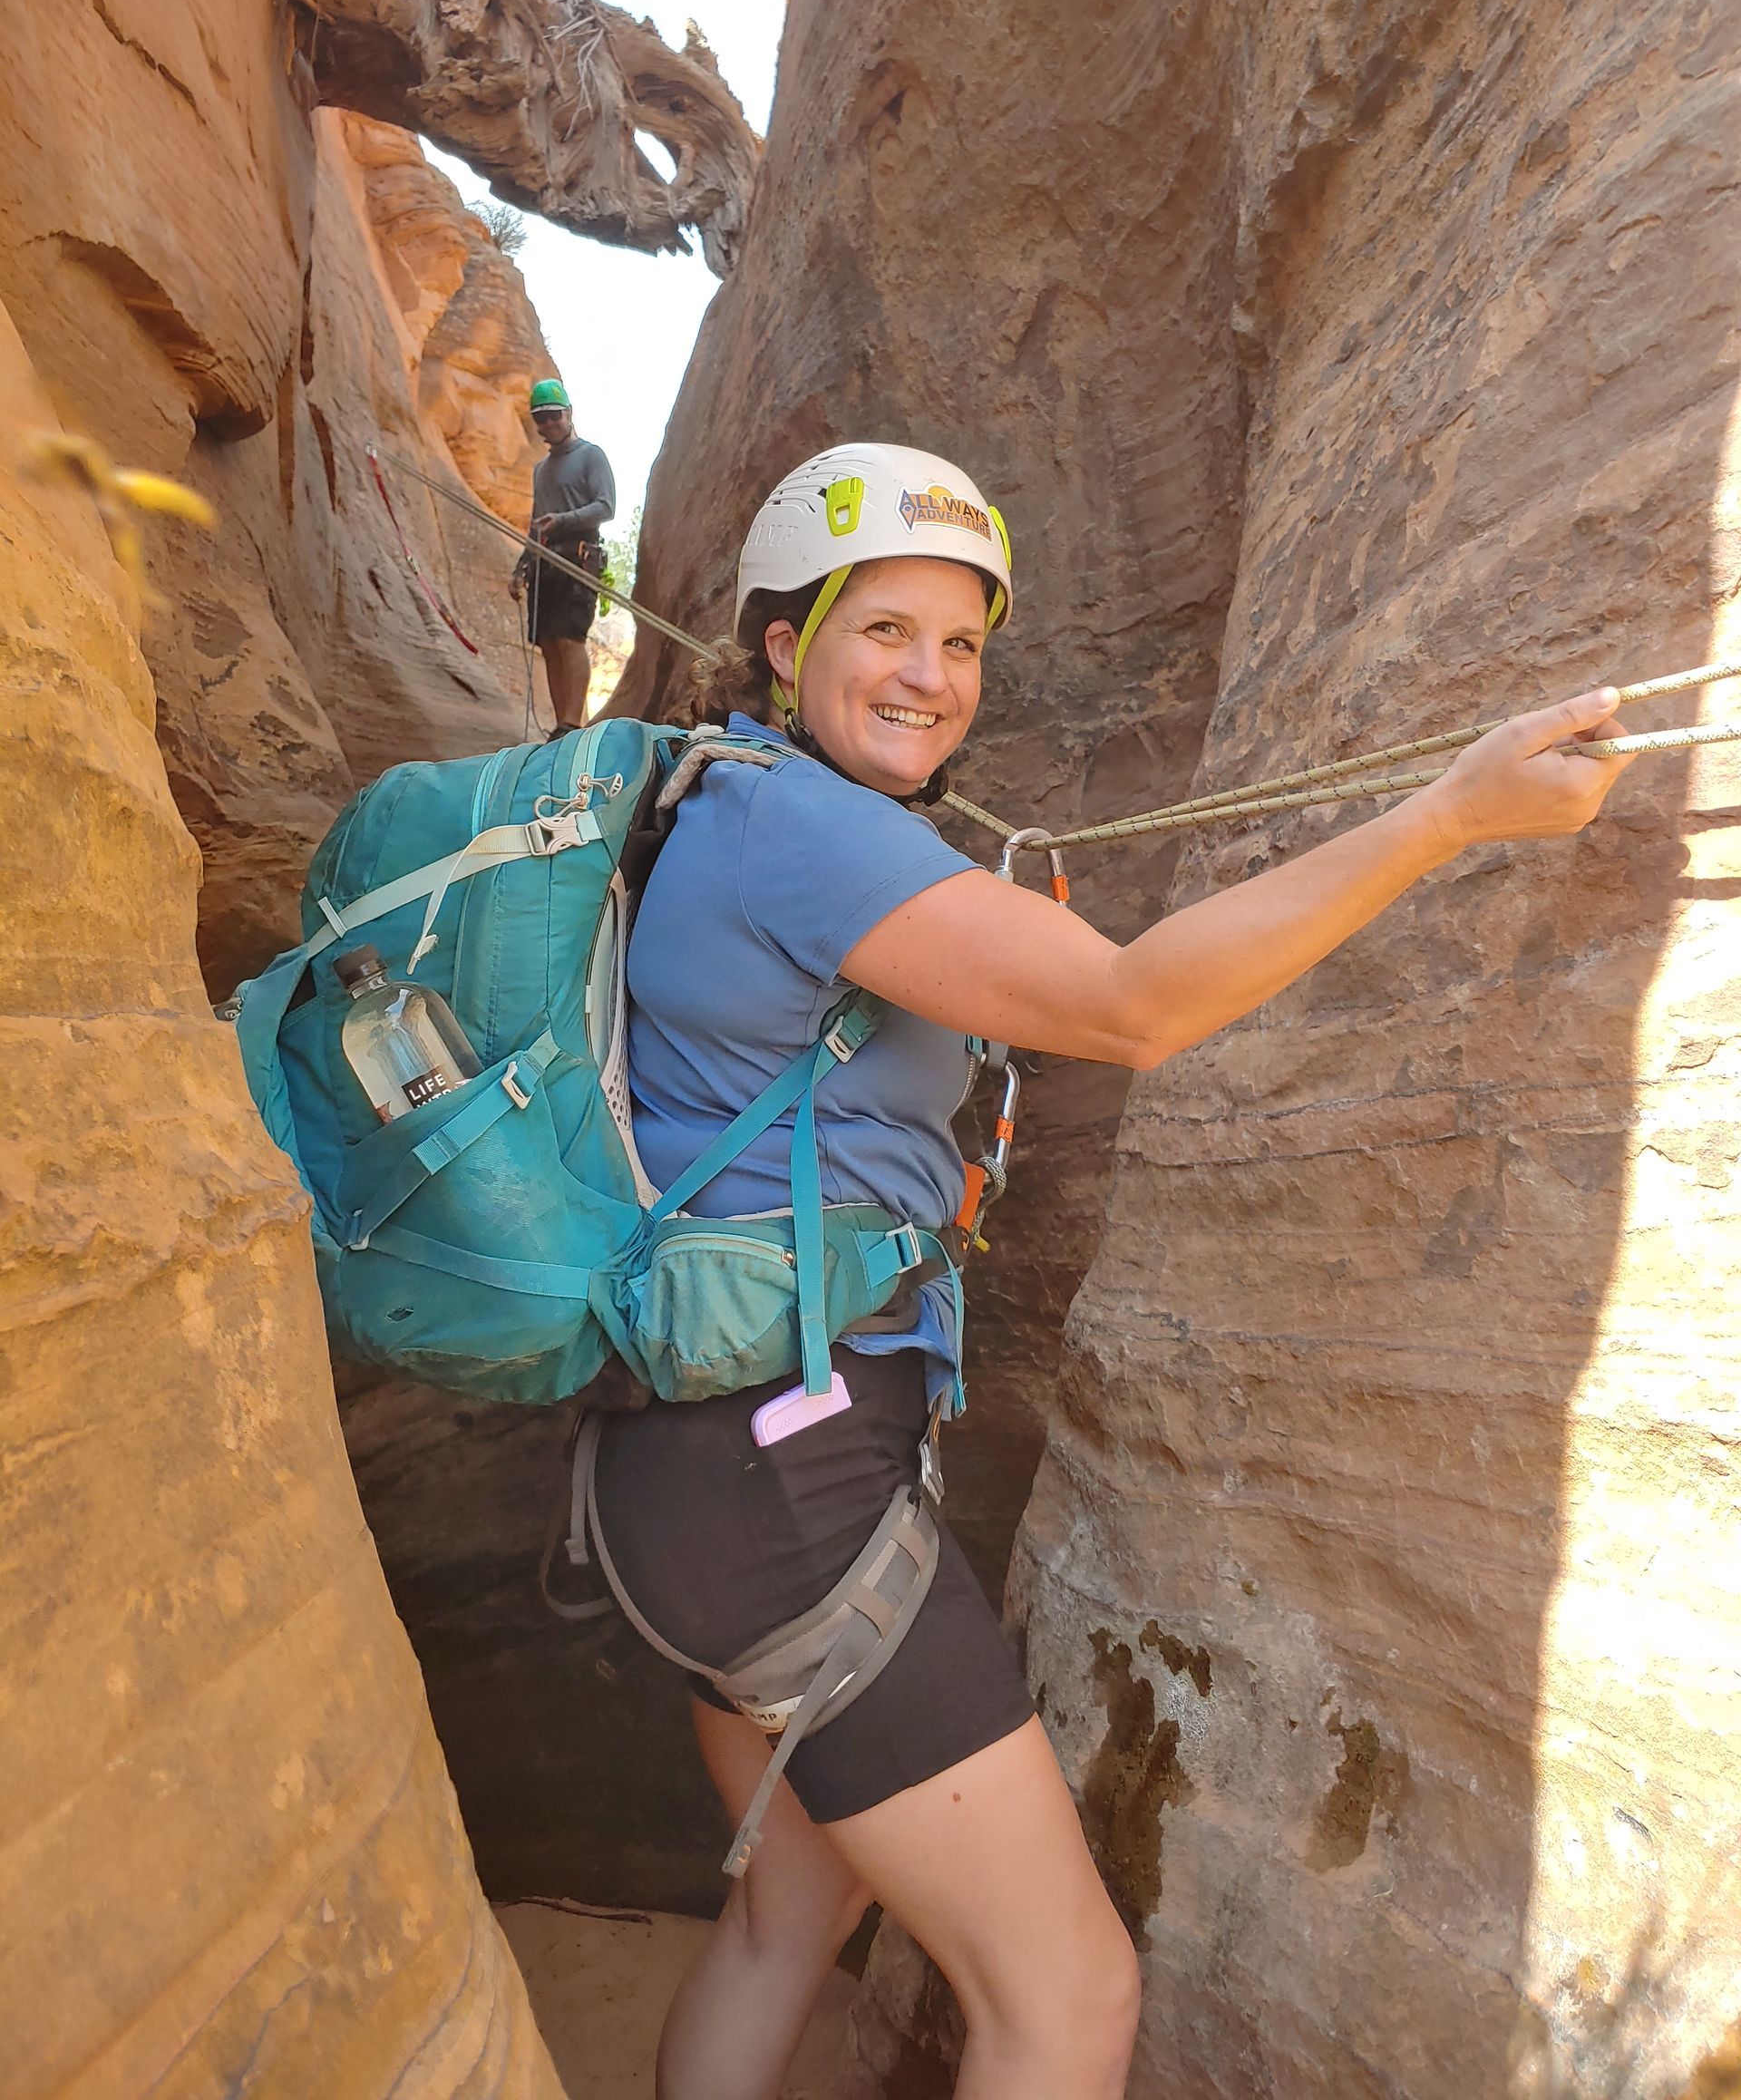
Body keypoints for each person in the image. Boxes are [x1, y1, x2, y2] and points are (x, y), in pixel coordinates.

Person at [590, 443, 1629, 2100]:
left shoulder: (722, 800)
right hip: (792, 1489)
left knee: (794, 1907)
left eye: (964, 645)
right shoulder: (809, 834)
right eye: (887, 632)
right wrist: (1451, 815)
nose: (933, 678)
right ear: (786, 643)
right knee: (1070, 2004)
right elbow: (1136, 1008)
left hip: (688, 1463)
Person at [511, 378, 615, 729]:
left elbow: (606, 506)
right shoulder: (541, 470)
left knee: (571, 639)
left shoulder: (591, 455)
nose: (549, 423)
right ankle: (560, 725)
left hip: (577, 557)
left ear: (568, 413)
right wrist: (520, 568)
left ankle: (572, 723)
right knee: (549, 643)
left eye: (554, 415)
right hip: (545, 563)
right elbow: (535, 524)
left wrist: (563, 520)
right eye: (541, 418)